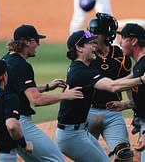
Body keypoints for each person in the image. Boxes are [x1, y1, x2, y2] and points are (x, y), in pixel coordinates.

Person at [55, 30, 145, 162]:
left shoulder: (81, 68)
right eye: (90, 44)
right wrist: (142, 79)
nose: (94, 46)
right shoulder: (82, 72)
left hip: (80, 131)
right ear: (79, 48)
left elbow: (114, 83)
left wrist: (136, 75)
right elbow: (113, 86)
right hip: (71, 135)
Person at [2, 24, 85, 162]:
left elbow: (19, 88)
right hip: (20, 124)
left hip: (6, 123)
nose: (38, 45)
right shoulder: (22, 65)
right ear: (27, 42)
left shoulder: (7, 60)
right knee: (56, 159)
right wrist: (65, 95)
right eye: (36, 41)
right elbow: (36, 100)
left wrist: (47, 87)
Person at [86, 12, 134, 161]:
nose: (91, 37)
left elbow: (128, 85)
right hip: (87, 112)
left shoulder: (121, 57)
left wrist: (130, 104)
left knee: (125, 156)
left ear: (107, 36)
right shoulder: (84, 56)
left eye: (96, 34)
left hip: (112, 114)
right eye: (89, 33)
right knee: (84, 156)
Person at [106, 23, 145, 162]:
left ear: (134, 41)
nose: (120, 42)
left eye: (123, 38)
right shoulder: (139, 66)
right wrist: (126, 104)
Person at [0, 59, 33, 162]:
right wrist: (24, 144)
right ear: (4, 76)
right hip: (3, 155)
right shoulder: (9, 97)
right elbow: (12, 125)